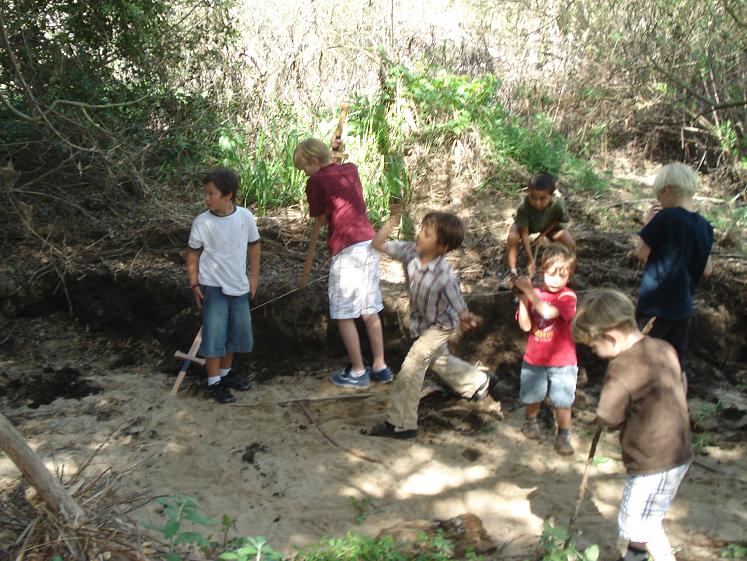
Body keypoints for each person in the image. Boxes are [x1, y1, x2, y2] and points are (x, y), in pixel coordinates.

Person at [573, 288, 692, 561]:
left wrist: (600, 418)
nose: (595, 353)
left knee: (633, 521)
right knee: (649, 517)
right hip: (679, 452)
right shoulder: (663, 347)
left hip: (652, 461)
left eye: (593, 346)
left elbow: (610, 416)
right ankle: (638, 556)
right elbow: (682, 383)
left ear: (610, 336)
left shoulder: (621, 368)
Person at [368, 208, 492, 439]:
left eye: (426, 234)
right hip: (421, 323)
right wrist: (392, 221)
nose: (419, 235)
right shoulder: (410, 252)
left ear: (442, 247)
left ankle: (401, 424)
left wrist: (465, 316)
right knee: (438, 360)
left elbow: (457, 301)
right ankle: (478, 381)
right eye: (421, 230)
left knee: (412, 366)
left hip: (440, 326)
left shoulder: (445, 275)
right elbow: (377, 244)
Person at [292, 138, 391, 387]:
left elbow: (322, 220)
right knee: (369, 309)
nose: (305, 173)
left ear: (314, 161)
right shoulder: (350, 170)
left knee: (344, 313)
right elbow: (335, 167)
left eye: (305, 168)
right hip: (369, 243)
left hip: (347, 248)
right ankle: (380, 366)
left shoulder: (316, 181)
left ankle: (358, 371)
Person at [186, 168, 260, 404]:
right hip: (213, 286)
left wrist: (254, 278)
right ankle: (213, 382)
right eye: (205, 193)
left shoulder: (245, 217)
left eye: (211, 193)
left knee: (235, 333)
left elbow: (254, 247)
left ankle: (226, 374)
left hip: (238, 286)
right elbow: (193, 254)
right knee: (215, 334)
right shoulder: (202, 222)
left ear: (228, 195)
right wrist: (194, 282)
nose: (206, 198)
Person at [635, 162, 713, 379]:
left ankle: (640, 399)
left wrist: (649, 223)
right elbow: (708, 269)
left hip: (656, 305)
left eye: (659, 196)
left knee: (639, 357)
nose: (660, 203)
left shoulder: (665, 217)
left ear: (667, 190)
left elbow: (640, 252)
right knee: (677, 365)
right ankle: (679, 399)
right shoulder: (705, 226)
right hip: (683, 308)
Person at [513, 243, 578, 455]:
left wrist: (529, 292)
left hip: (563, 361)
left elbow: (549, 313)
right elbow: (525, 326)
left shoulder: (568, 296)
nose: (556, 280)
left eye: (562, 275)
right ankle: (531, 422)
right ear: (542, 272)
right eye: (551, 274)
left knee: (562, 400)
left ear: (569, 275)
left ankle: (564, 435)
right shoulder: (534, 293)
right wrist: (523, 299)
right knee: (533, 394)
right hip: (535, 357)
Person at [505, 172, 575, 281]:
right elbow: (524, 233)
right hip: (528, 226)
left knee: (571, 244)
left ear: (552, 196)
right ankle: (512, 273)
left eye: (542, 198)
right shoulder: (525, 205)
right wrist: (530, 260)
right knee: (512, 237)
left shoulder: (558, 205)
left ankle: (569, 276)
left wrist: (542, 235)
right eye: (533, 197)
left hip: (548, 225)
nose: (537, 203)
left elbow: (557, 220)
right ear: (528, 192)